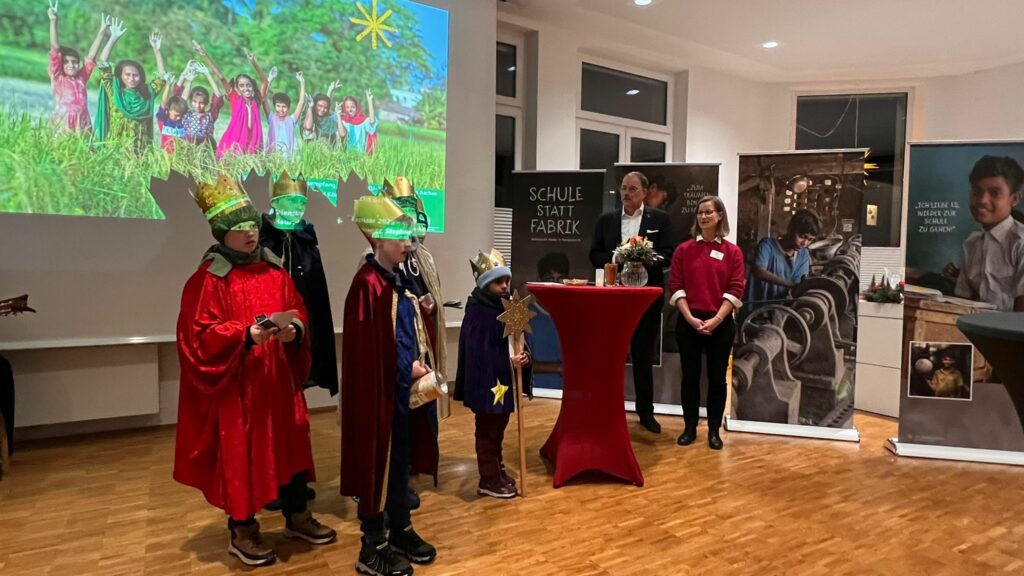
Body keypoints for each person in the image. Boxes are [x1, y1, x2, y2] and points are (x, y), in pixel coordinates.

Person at [174, 175, 335, 568]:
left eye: (252, 224)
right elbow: (197, 336)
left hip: (278, 384)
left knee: (291, 446)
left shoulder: (274, 271)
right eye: (240, 227)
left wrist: (294, 330)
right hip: (239, 391)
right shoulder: (209, 279)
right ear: (222, 232)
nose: (250, 233)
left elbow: (297, 309)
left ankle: (297, 515)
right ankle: (242, 529)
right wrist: (244, 335)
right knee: (242, 456)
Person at [341, 195, 438, 576]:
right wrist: (404, 367)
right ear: (377, 239)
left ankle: (400, 528)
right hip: (379, 396)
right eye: (398, 236)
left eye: (408, 236)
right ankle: (372, 545)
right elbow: (368, 351)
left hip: (399, 393)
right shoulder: (367, 285)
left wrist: (415, 363)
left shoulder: (395, 281)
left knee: (399, 462)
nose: (407, 244)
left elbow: (401, 334)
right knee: (377, 465)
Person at [589, 171, 675, 433]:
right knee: (611, 355)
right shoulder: (606, 220)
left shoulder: (660, 219)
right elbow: (594, 255)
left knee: (642, 356)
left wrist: (645, 256)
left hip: (646, 299)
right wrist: (618, 257)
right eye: (623, 188)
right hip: (613, 298)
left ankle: (645, 412)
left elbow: (669, 254)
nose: (626, 193)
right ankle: (607, 407)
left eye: (632, 189)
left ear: (645, 192)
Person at [381, 177, 446, 511]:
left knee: (421, 409)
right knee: (397, 414)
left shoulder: (423, 257)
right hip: (397, 351)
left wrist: (429, 307)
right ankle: (393, 475)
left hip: (423, 347)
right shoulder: (376, 260)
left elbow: (428, 293)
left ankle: (414, 464)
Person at [668, 195, 745, 450]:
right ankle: (689, 428)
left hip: (720, 323)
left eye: (708, 212)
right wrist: (690, 318)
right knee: (689, 378)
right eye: (700, 212)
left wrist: (717, 319)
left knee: (717, 379)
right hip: (689, 322)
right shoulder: (684, 250)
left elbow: (736, 289)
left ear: (720, 216)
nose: (703, 216)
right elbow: (676, 286)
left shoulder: (733, 252)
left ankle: (713, 431)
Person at [454, 249, 532, 499]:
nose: (504, 286)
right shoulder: (478, 312)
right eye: (498, 282)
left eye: (506, 280)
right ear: (485, 284)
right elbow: (479, 353)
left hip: (505, 380)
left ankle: (497, 469)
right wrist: (507, 360)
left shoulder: (508, 307)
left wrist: (524, 355)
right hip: (488, 384)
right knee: (487, 430)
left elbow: (519, 339)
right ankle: (488, 478)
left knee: (498, 428)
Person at [951, 155, 1024, 311]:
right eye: (977, 192)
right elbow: (962, 301)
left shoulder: (1020, 242)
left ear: (1014, 199)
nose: (983, 200)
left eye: (995, 193)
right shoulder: (971, 243)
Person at [94, 30, 167, 151]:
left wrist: (157, 51)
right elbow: (102, 64)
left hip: (139, 150)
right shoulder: (115, 92)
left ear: (141, 77)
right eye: (127, 75)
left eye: (135, 75)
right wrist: (113, 39)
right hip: (115, 149)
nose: (131, 78)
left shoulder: (146, 94)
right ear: (120, 76)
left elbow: (162, 78)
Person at [192, 42, 267, 158]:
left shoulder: (256, 102)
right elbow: (221, 77)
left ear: (252, 86)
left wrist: (253, 63)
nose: (246, 88)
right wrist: (205, 55)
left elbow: (265, 82)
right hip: (234, 145)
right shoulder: (235, 99)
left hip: (252, 145)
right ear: (237, 89)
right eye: (242, 86)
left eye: (248, 85)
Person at [46, 5, 107, 132]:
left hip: (82, 121)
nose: (71, 65)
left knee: (83, 144)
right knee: (61, 143)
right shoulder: (58, 77)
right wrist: (53, 21)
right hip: (63, 121)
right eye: (66, 62)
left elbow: (91, 57)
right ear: (60, 65)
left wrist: (102, 31)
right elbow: (55, 48)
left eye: (74, 62)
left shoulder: (81, 78)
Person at [745, 209, 819, 309]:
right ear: (791, 229)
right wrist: (789, 284)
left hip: (782, 310)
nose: (805, 243)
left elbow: (800, 282)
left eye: (810, 239)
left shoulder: (803, 254)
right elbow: (759, 271)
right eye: (802, 236)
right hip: (757, 309)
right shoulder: (767, 245)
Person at [176, 61, 224, 148]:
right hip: (186, 148)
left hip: (205, 149)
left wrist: (207, 74)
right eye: (194, 102)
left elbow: (218, 96)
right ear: (191, 101)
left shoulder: (210, 115)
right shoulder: (186, 113)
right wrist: (189, 80)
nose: (197, 105)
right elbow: (181, 97)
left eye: (201, 103)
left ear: (206, 103)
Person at [265, 69, 306, 158]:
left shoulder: (292, 120)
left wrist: (302, 83)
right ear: (274, 106)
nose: (281, 109)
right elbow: (263, 99)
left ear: (288, 107)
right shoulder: (271, 118)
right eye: (278, 106)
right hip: (272, 157)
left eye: (284, 106)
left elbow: (301, 103)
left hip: (288, 158)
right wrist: (270, 79)